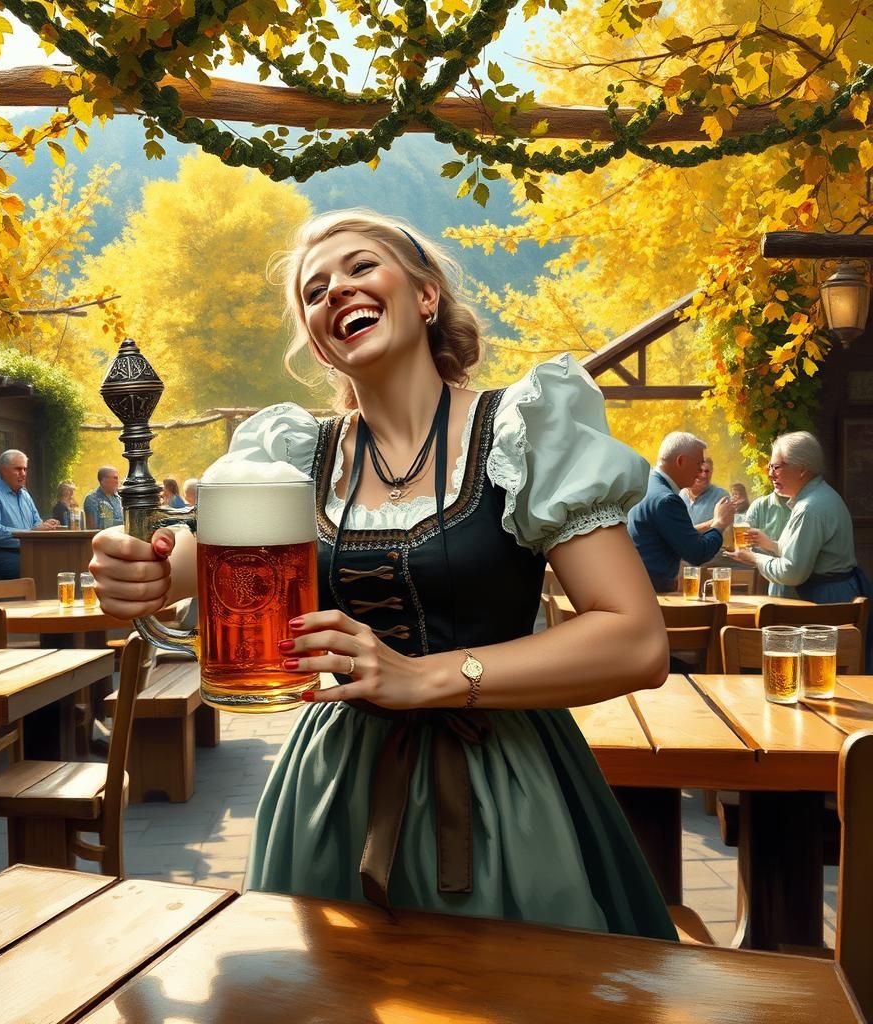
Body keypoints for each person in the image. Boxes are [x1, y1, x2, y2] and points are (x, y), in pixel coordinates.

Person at [91, 209, 674, 939]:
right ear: (317, 343)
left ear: (426, 296)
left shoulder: (522, 431)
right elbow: (183, 564)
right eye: (314, 290)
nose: (336, 290)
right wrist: (136, 573)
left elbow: (637, 641)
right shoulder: (294, 454)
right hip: (333, 789)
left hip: (504, 786)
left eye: (361, 267)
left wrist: (425, 678)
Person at [729, 433, 872, 640]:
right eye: (769, 467)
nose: (770, 474)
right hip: (831, 599)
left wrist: (754, 558)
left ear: (802, 469)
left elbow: (792, 572)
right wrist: (771, 545)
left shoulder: (809, 508)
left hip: (822, 605)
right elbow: (811, 553)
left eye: (776, 467)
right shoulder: (820, 496)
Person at [627, 433, 734, 593]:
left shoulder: (646, 485)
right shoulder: (667, 499)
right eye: (698, 464)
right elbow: (697, 553)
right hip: (654, 592)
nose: (700, 472)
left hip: (637, 586)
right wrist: (719, 524)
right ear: (681, 461)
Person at [0, 449, 58, 579]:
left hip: (28, 551)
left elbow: (36, 522)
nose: (23, 474)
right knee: (40, 569)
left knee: (57, 563)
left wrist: (45, 526)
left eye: (25, 469)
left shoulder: (25, 494)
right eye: (18, 469)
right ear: (3, 471)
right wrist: (30, 532)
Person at [743, 487, 792, 595]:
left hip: (795, 577)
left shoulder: (804, 506)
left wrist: (769, 544)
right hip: (764, 573)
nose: (772, 474)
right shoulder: (760, 505)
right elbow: (745, 540)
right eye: (771, 469)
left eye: (777, 468)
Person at [679, 456, 730, 530]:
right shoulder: (681, 494)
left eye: (707, 471)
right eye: (699, 470)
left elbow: (724, 526)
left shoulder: (721, 496)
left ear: (711, 473)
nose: (704, 475)